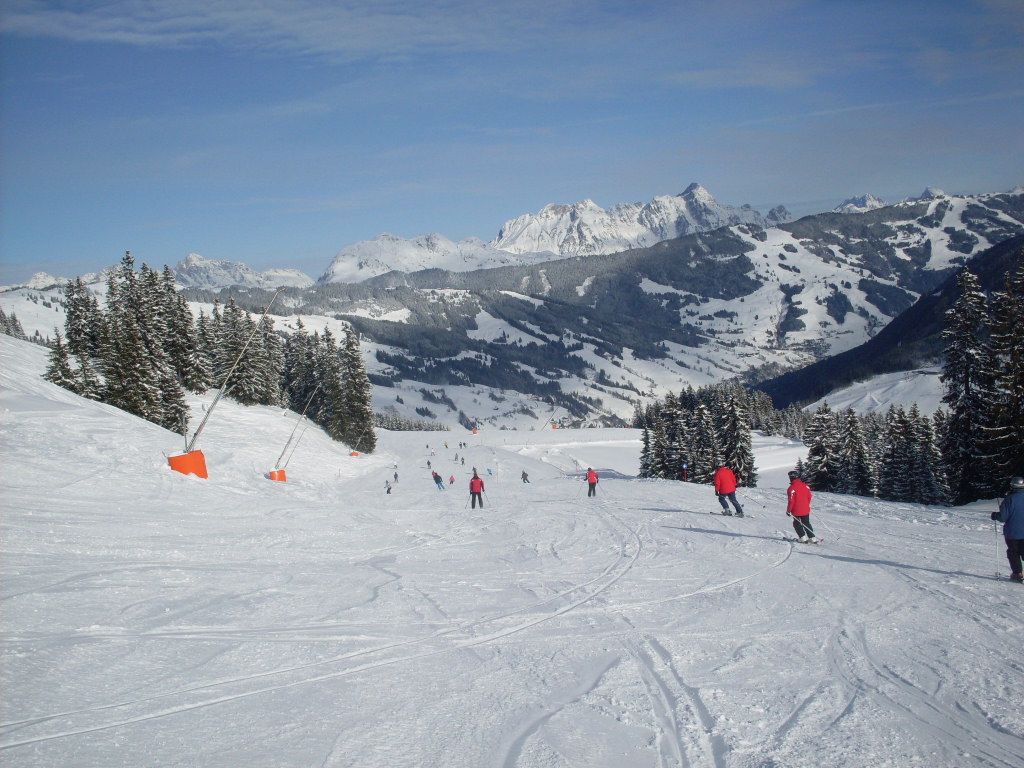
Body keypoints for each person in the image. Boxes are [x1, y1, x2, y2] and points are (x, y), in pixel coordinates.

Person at [992, 476, 1024, 583]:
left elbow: (1003, 517)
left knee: (1013, 553)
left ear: (1012, 486)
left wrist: (995, 515)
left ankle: (1017, 574)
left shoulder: (1009, 499)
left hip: (1013, 532)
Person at [786, 470, 817, 543]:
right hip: (805, 508)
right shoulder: (806, 486)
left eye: (790, 477)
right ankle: (812, 537)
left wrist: (788, 510)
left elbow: (791, 501)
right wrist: (806, 504)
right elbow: (809, 496)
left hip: (796, 510)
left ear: (792, 478)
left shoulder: (791, 488)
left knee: (797, 524)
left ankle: (802, 537)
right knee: (806, 523)